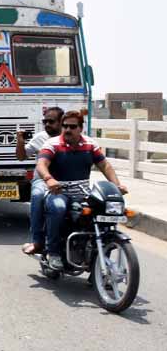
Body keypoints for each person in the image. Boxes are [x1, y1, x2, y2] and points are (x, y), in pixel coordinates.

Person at [36, 110, 127, 271]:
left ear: (81, 128)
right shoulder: (52, 143)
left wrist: (117, 185)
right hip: (59, 191)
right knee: (58, 208)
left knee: (104, 213)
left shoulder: (90, 144)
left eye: (72, 126)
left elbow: (104, 165)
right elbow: (42, 164)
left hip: (83, 192)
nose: (67, 130)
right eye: (64, 126)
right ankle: (53, 252)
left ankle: (99, 256)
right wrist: (49, 179)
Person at [17, 106, 63, 255]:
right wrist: (20, 141)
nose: (47, 124)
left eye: (52, 121)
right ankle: (37, 241)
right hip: (42, 181)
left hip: (66, 180)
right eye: (45, 121)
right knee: (37, 196)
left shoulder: (70, 137)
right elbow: (21, 156)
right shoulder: (41, 138)